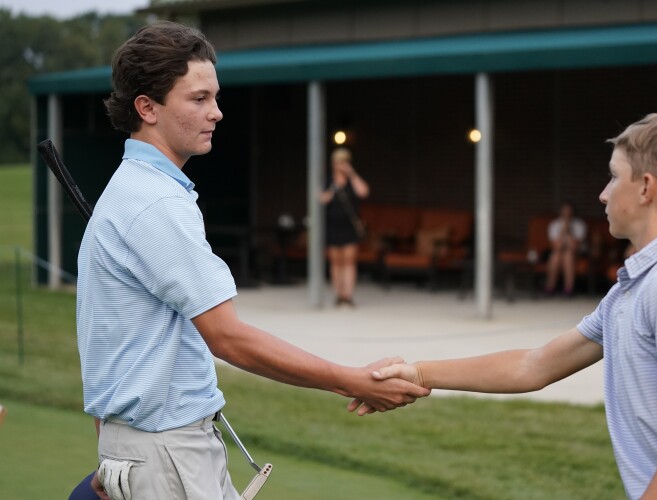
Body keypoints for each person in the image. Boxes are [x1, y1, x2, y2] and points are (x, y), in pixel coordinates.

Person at [78, 22, 428, 500]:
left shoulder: (133, 190)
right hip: (167, 452)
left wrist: (117, 440)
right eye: (198, 99)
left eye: (215, 98)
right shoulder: (155, 203)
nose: (217, 112)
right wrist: (351, 380)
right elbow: (229, 337)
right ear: (147, 107)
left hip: (149, 449)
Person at [367, 113, 657, 499]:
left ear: (646, 188)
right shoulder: (636, 288)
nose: (603, 193)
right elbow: (534, 366)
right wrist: (418, 373)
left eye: (614, 176)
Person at [320, 147, 370, 306]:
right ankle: (339, 294)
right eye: (338, 162)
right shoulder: (328, 181)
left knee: (349, 261)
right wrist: (333, 188)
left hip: (349, 226)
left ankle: (348, 295)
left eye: (344, 162)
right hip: (332, 225)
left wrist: (351, 174)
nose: (341, 165)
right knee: (336, 262)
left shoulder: (352, 181)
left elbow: (364, 192)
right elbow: (322, 199)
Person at [543, 201, 587, 296]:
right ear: (561, 213)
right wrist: (563, 231)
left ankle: (568, 289)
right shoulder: (554, 224)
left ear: (573, 213)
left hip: (576, 253)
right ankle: (550, 287)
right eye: (564, 212)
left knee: (568, 255)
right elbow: (557, 247)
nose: (567, 214)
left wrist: (568, 230)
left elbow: (574, 247)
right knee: (556, 255)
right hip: (559, 252)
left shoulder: (579, 224)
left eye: (569, 212)